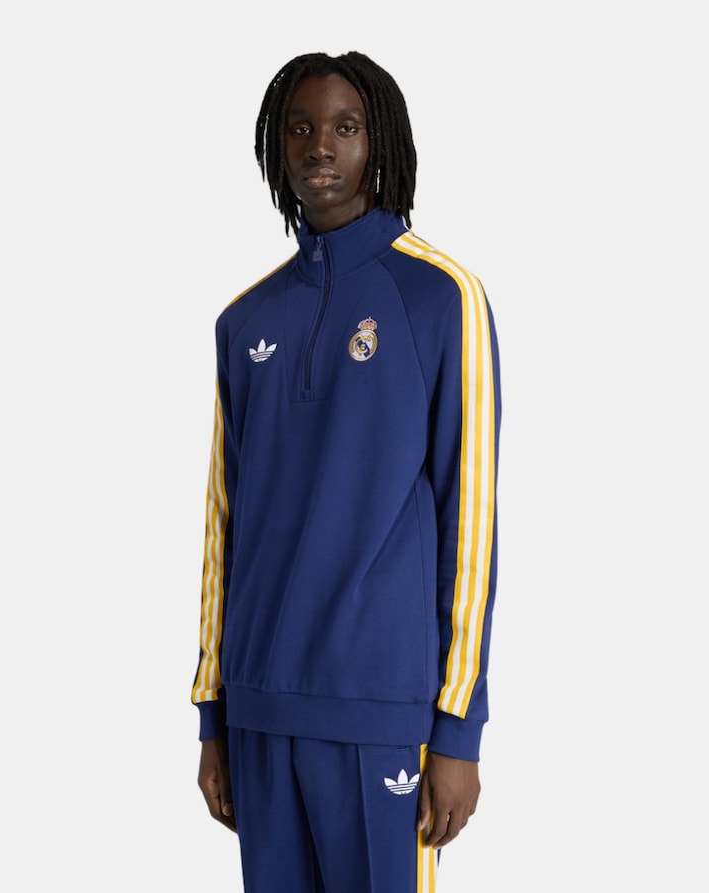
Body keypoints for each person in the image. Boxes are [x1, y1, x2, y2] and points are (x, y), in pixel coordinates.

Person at [192, 50, 501, 893]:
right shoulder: (244, 319)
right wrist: (214, 715)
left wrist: (457, 728)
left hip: (382, 711)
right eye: (299, 128)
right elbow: (223, 526)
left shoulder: (440, 296)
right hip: (260, 708)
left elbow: (471, 524)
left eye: (344, 126)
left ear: (379, 142)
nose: (318, 146)